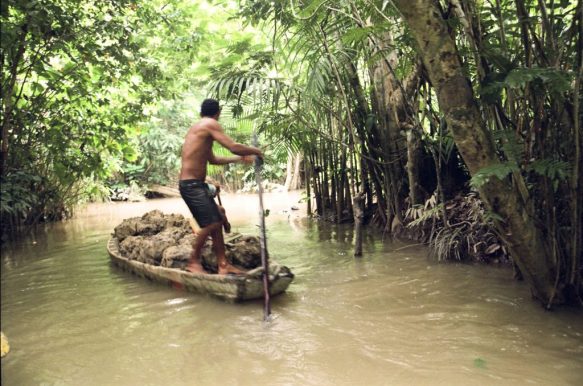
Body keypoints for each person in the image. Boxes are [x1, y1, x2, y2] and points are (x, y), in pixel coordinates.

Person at [179, 98, 262, 274]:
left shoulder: (200, 129)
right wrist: (256, 151)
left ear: (202, 112)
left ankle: (223, 265)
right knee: (212, 223)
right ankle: (193, 261)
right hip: (191, 186)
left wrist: (239, 159)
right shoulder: (210, 123)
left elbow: (214, 160)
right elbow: (232, 146)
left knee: (216, 220)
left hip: (195, 185)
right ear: (217, 113)